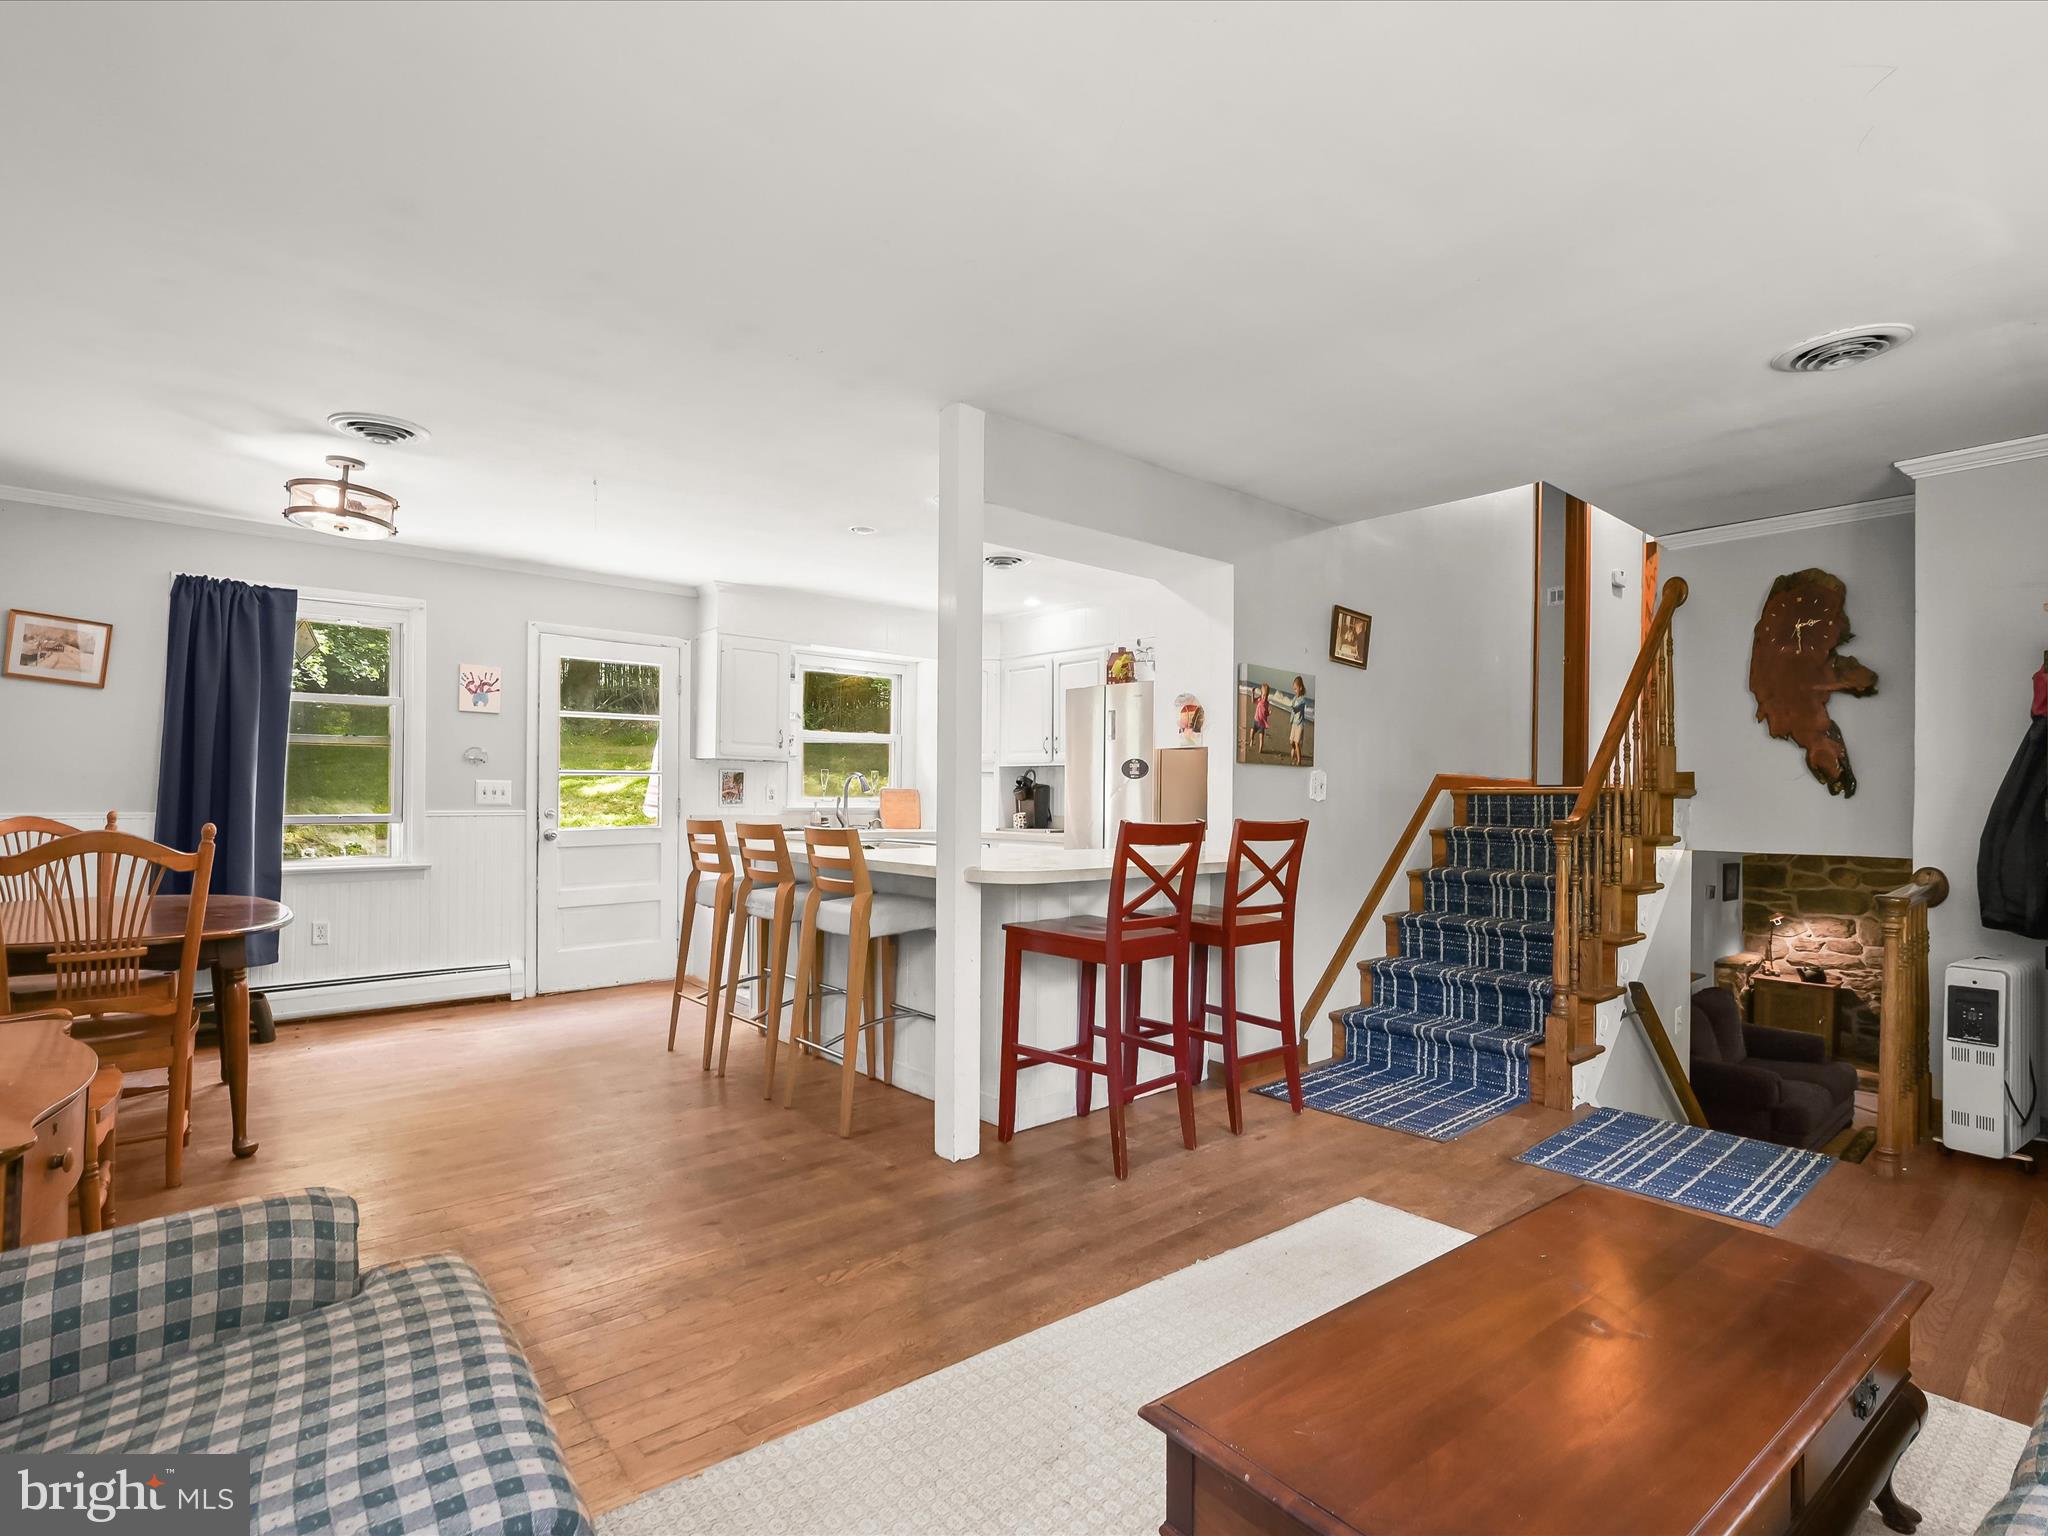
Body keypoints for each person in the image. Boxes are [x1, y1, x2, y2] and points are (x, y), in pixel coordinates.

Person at [1287, 675, 1311, 765]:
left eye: (1296, 689)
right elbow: (1292, 710)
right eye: (1294, 689)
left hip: (1300, 724)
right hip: (1294, 723)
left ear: (1300, 688)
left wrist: (1294, 708)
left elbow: (1298, 708)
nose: (1295, 691)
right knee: (1291, 742)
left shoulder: (1303, 700)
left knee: (1297, 742)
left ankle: (1298, 761)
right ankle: (1293, 749)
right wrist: (1291, 720)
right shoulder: (1294, 698)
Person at [1252, 682, 1272, 757]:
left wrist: (1269, 713)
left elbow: (1266, 713)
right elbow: (1253, 701)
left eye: (1266, 696)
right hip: (1256, 720)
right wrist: (1253, 693)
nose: (1265, 697)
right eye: (1264, 695)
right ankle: (1251, 740)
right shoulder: (1259, 699)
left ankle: (1260, 749)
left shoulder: (1267, 703)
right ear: (1261, 694)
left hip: (1262, 723)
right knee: (1252, 732)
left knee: (1261, 737)